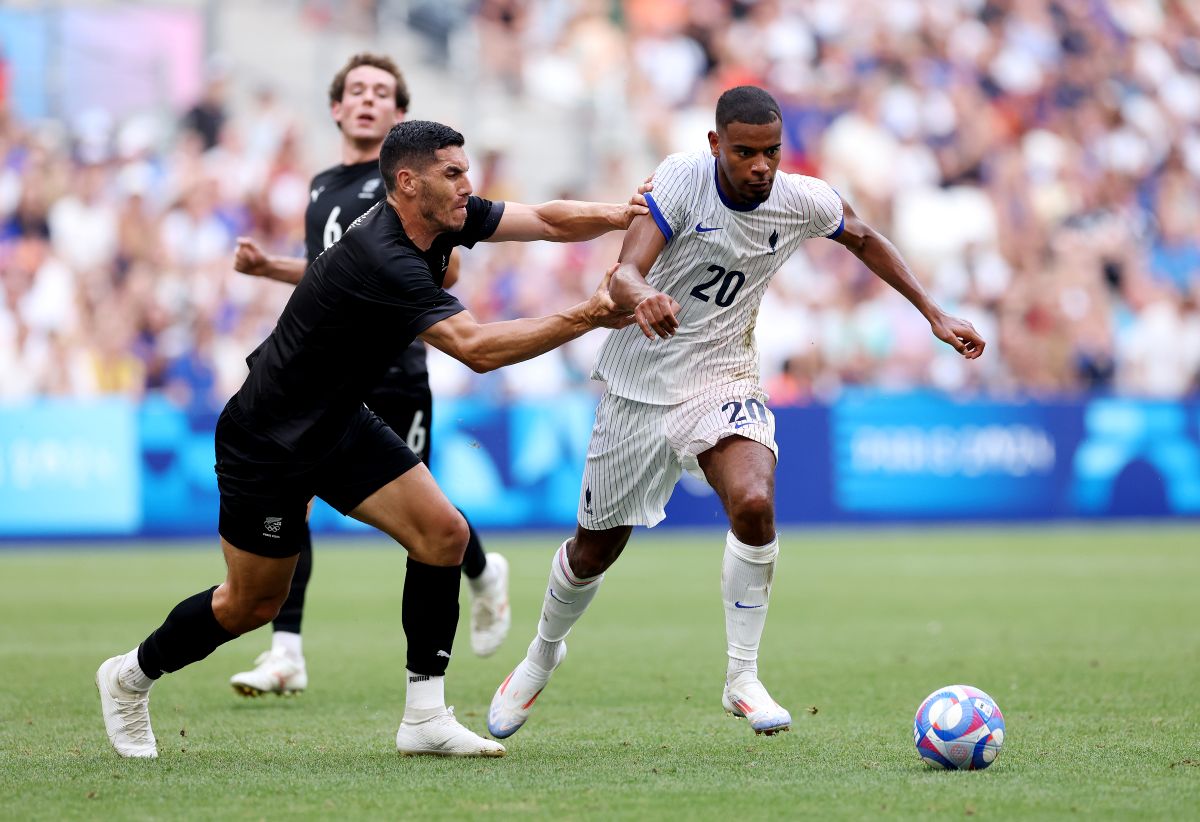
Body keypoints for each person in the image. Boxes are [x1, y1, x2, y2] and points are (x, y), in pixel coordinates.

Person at [96, 119, 644, 759]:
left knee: (444, 534)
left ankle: (424, 718)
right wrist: (588, 314)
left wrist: (623, 213)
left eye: (465, 171)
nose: (469, 184)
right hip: (269, 438)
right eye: (453, 173)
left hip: (337, 422)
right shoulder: (385, 256)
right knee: (249, 605)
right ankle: (130, 676)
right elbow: (475, 350)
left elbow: (547, 221)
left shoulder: (442, 216)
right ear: (408, 183)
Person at [487, 86, 986, 740]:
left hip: (722, 374)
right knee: (593, 550)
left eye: (771, 152)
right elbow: (624, 272)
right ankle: (541, 654)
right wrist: (641, 295)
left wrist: (933, 312)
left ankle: (741, 677)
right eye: (745, 152)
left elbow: (862, 237)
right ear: (716, 145)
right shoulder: (680, 182)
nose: (760, 166)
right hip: (638, 385)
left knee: (753, 501)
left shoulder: (801, 198)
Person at [229, 53, 510, 699]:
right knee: (292, 496)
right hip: (330, 368)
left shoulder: (410, 184)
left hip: (395, 370)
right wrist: (272, 267)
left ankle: (481, 568)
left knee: (426, 514)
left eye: (380, 93)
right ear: (336, 109)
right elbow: (331, 276)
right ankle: (286, 652)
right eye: (354, 91)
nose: (365, 100)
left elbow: (442, 272)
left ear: (398, 116)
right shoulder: (322, 184)